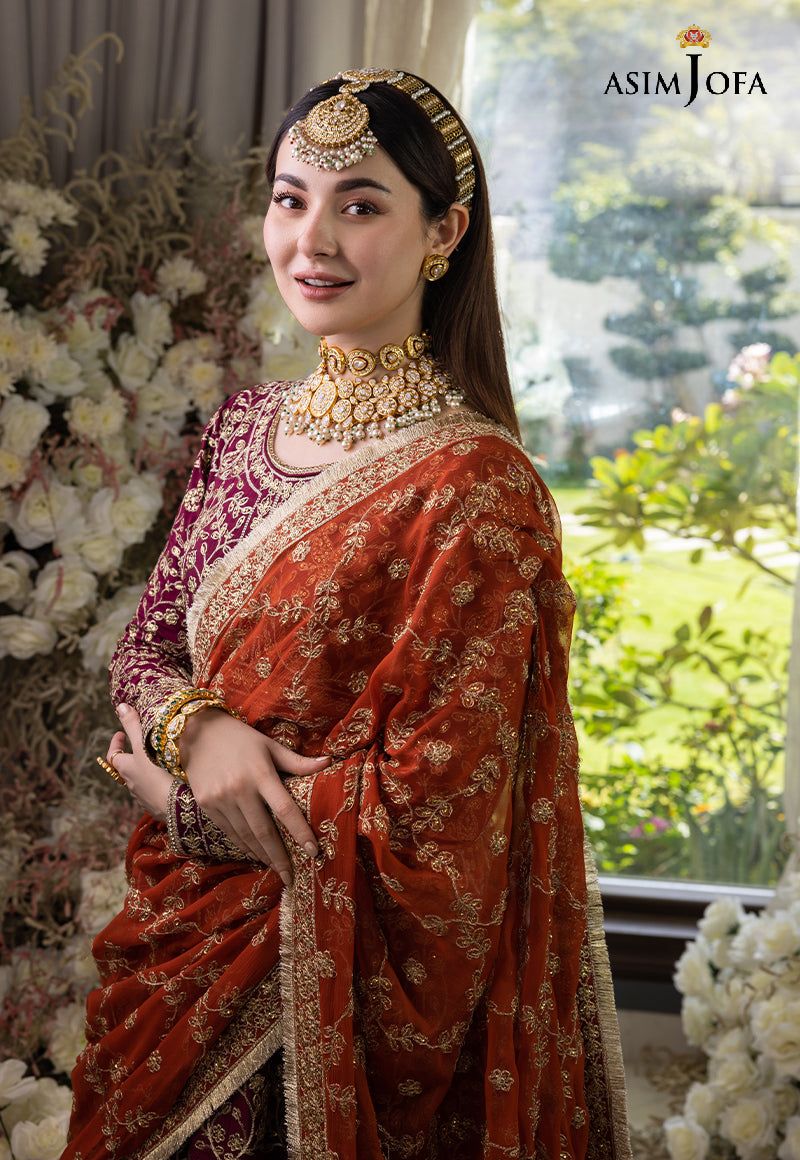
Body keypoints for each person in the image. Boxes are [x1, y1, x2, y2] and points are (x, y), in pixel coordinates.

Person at [63, 68, 632, 1160]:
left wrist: (184, 807)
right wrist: (200, 728)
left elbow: (439, 815)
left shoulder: (476, 485)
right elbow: (149, 642)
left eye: (359, 204)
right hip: (176, 954)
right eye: (290, 199)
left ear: (443, 233)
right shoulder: (244, 429)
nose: (311, 239)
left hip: (317, 1005)